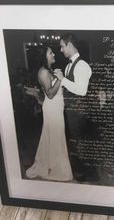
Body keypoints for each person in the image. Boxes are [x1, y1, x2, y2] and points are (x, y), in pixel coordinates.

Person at [25, 45, 73, 181]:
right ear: (43, 56)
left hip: (56, 108)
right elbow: (50, 94)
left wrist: (58, 77)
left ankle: (52, 164)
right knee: (55, 137)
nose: (54, 55)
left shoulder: (48, 70)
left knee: (54, 137)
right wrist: (59, 78)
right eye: (51, 53)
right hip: (52, 109)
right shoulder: (43, 72)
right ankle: (56, 168)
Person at [54, 33, 92, 178]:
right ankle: (79, 171)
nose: (61, 50)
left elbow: (82, 91)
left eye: (62, 46)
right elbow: (70, 86)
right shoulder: (70, 65)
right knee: (75, 142)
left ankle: (87, 174)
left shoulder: (82, 65)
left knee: (80, 142)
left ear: (70, 45)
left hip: (78, 113)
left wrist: (63, 79)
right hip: (71, 112)